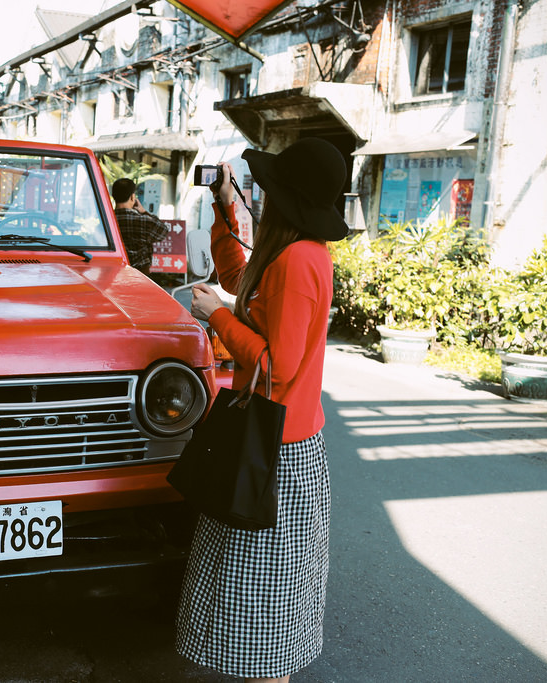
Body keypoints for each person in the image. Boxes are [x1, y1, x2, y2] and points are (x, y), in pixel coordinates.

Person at [176, 138, 350, 683]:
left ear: (283, 200)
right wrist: (225, 206)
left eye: (264, 190)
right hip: (275, 440)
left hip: (280, 446)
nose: (261, 195)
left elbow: (279, 369)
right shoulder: (287, 252)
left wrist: (217, 320)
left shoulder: (300, 260)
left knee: (266, 597)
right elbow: (237, 282)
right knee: (257, 588)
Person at [111, 177, 170, 276]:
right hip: (140, 275)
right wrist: (144, 212)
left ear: (113, 196)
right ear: (132, 197)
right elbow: (163, 230)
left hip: (113, 273)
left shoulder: (106, 221)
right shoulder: (143, 221)